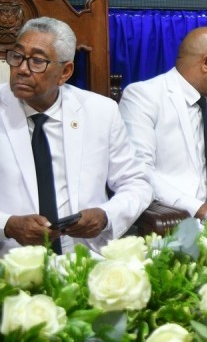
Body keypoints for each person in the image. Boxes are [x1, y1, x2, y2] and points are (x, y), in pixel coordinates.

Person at [0, 17, 152, 256]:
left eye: (37, 61)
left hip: (84, 256)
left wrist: (105, 216)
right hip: (10, 258)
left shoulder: (101, 111)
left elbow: (136, 183)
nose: (22, 69)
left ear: (65, 72)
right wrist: (7, 225)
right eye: (17, 56)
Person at [119, 27, 207, 230]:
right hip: (176, 220)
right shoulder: (144, 97)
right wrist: (204, 212)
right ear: (206, 63)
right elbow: (140, 171)